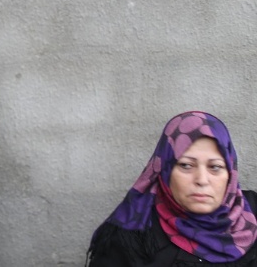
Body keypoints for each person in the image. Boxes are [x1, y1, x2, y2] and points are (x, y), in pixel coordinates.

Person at [87, 111, 257, 266]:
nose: (202, 180)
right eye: (186, 165)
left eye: (215, 167)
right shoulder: (133, 233)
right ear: (166, 171)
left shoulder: (253, 212)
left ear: (230, 174)